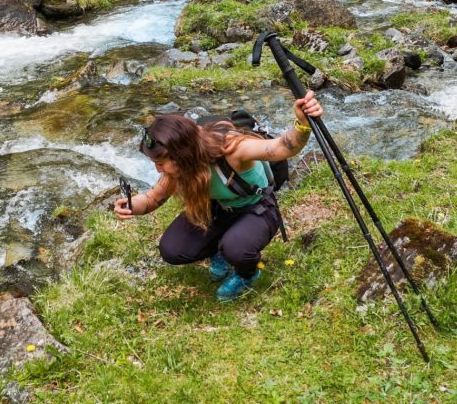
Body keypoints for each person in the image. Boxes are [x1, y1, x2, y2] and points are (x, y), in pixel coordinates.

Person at [114, 91, 323, 301]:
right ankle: (219, 251)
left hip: (257, 209)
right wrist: (132, 206)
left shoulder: (232, 149)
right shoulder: (179, 169)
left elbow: (281, 147)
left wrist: (302, 123)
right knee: (173, 249)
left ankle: (247, 274)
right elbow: (153, 198)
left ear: (182, 155)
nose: (158, 170)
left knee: (237, 248)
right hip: (218, 210)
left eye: (161, 164)